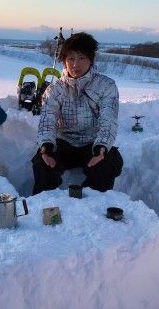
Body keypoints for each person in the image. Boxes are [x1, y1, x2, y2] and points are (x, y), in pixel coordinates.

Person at [32, 32, 123, 195]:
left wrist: (101, 147)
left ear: (91, 59)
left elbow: (108, 119)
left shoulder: (106, 86)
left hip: (92, 144)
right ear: (64, 61)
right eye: (71, 58)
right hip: (64, 142)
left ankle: (96, 207)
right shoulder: (55, 89)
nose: (76, 64)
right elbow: (48, 119)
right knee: (41, 162)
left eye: (81, 58)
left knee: (109, 162)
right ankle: (43, 206)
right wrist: (45, 146)